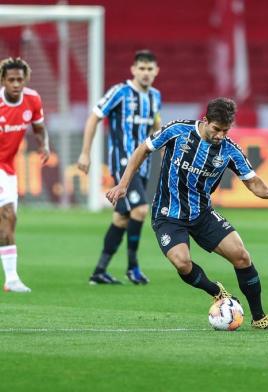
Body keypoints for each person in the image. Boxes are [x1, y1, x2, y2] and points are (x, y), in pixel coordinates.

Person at [106, 97, 268, 330]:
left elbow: (254, 184)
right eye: (217, 129)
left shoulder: (230, 150)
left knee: (241, 256)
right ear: (205, 120)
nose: (221, 135)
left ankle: (259, 317)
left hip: (202, 214)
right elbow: (143, 149)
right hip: (168, 214)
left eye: (226, 130)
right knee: (182, 263)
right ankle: (216, 291)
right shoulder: (178, 131)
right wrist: (123, 184)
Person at [78, 49, 161, 285]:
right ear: (133, 70)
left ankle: (99, 271)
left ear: (156, 71)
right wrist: (85, 152)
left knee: (122, 217)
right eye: (141, 68)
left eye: (149, 69)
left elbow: (156, 124)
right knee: (141, 209)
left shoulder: (155, 96)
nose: (145, 73)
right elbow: (94, 117)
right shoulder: (120, 92)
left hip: (143, 164)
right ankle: (133, 267)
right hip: (122, 161)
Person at [0, 57, 50, 293]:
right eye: (11, 80)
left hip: (8, 168)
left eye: (20, 79)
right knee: (7, 215)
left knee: (10, 220)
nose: (16, 84)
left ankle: (11, 279)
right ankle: (11, 278)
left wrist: (44, 145)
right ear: (3, 81)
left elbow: (39, 129)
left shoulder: (32, 99)